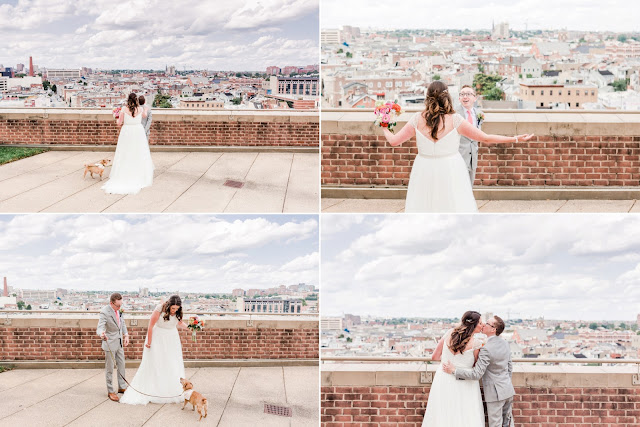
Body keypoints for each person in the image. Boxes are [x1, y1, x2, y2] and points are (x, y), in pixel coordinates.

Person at [381, 81, 534, 213]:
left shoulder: (417, 119)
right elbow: (485, 138)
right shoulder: (455, 120)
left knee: (423, 205)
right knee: (453, 204)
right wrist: (515, 138)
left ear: (427, 97)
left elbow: (394, 141)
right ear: (447, 97)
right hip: (450, 167)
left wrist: (384, 126)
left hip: (423, 167)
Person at [443, 315, 515, 427]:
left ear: (493, 329)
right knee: (507, 423)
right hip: (508, 390)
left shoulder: (486, 348)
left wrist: (454, 371)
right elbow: (509, 367)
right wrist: (506, 383)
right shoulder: (505, 343)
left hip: (495, 393)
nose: (484, 324)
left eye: (487, 323)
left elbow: (476, 374)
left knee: (495, 424)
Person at [120, 295, 188, 405]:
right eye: (173, 308)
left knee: (170, 363)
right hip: (158, 338)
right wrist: (149, 342)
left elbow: (179, 323)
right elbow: (151, 326)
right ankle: (154, 388)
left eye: (177, 309)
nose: (174, 310)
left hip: (171, 339)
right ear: (169, 305)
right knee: (156, 363)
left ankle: (168, 388)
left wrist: (192, 327)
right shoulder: (159, 308)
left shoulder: (178, 312)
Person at [421, 311, 485, 426]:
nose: (483, 325)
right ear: (473, 325)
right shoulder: (476, 343)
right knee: (466, 414)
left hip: (443, 378)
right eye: (480, 323)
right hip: (465, 383)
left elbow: (435, 357)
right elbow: (476, 366)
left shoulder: (449, 333)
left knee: (442, 412)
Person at [102, 93, 155, 195]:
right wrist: (146, 110)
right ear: (136, 100)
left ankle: (124, 172)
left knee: (125, 152)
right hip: (138, 131)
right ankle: (138, 173)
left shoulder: (124, 109)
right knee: (138, 152)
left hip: (127, 131)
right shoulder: (140, 109)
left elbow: (119, 123)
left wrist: (116, 116)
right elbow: (144, 116)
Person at [96, 293, 129, 402]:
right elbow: (100, 327)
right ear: (111, 303)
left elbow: (122, 323)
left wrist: (126, 335)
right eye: (118, 306)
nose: (120, 308)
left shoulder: (119, 310)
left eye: (121, 305)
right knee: (109, 368)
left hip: (119, 342)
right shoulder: (104, 312)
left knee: (122, 365)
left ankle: (122, 386)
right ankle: (110, 390)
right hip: (109, 342)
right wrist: (102, 334)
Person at [457, 85, 483, 183]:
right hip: (458, 155)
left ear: (474, 98)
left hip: (473, 156)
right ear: (459, 98)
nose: (465, 97)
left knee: (470, 185)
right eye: (462, 94)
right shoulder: (454, 114)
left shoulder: (479, 114)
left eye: (468, 94)